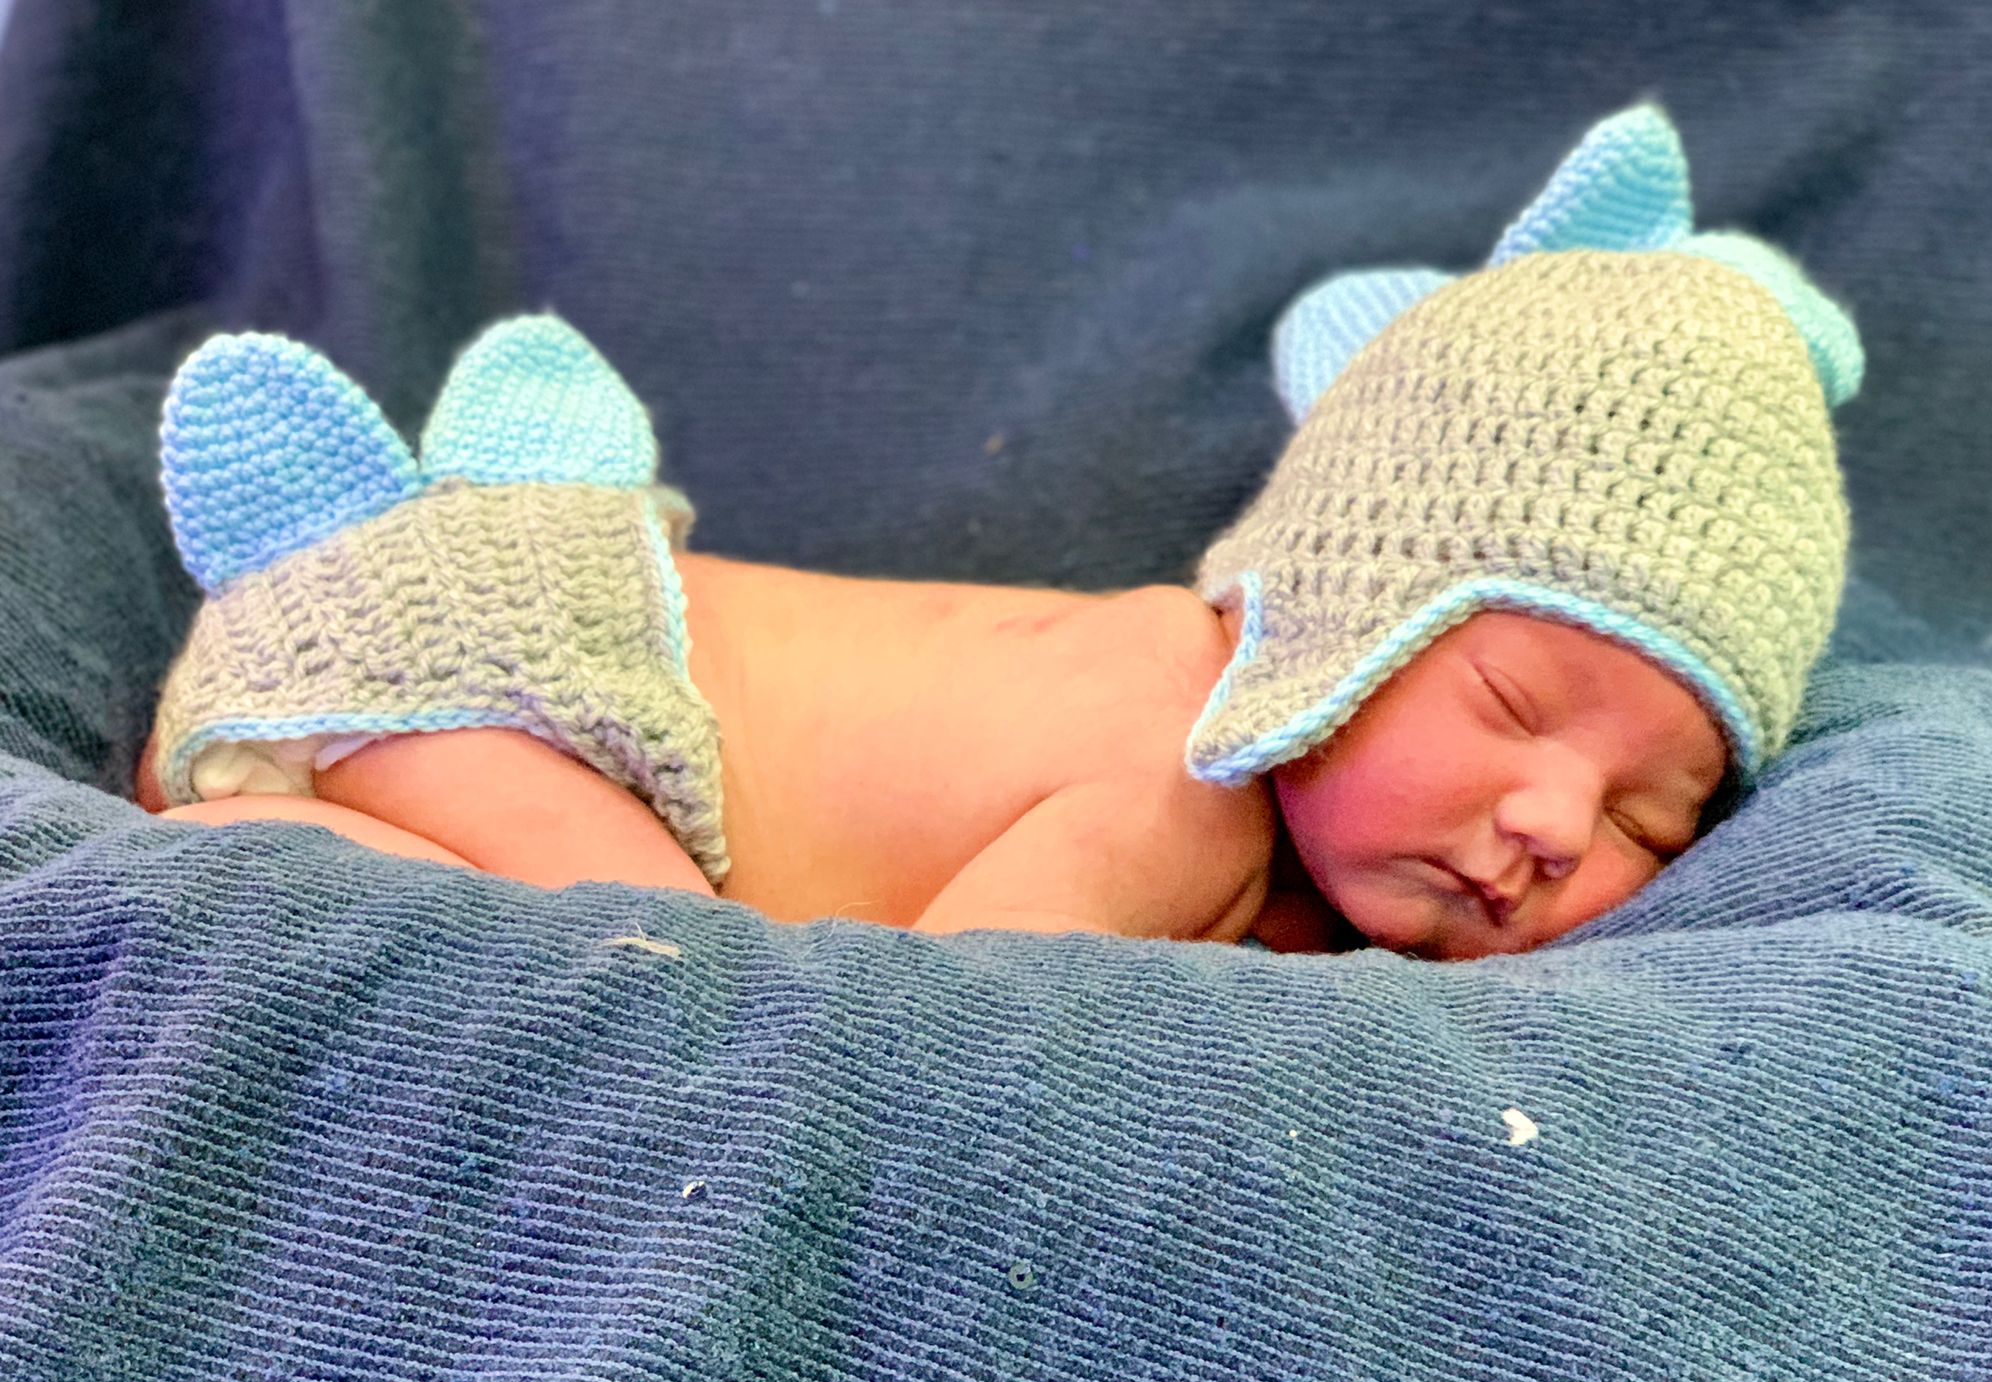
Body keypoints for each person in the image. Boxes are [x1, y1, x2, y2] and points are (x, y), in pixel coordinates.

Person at [133, 105, 1861, 960]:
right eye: (1510, 700)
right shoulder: (1179, 781)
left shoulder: (1271, 855)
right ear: (1342, 610)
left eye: (1654, 812)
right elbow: (946, 1034)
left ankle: (276, 837)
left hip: (444, 674)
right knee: (668, 982)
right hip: (488, 668)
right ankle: (258, 842)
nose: (1558, 825)